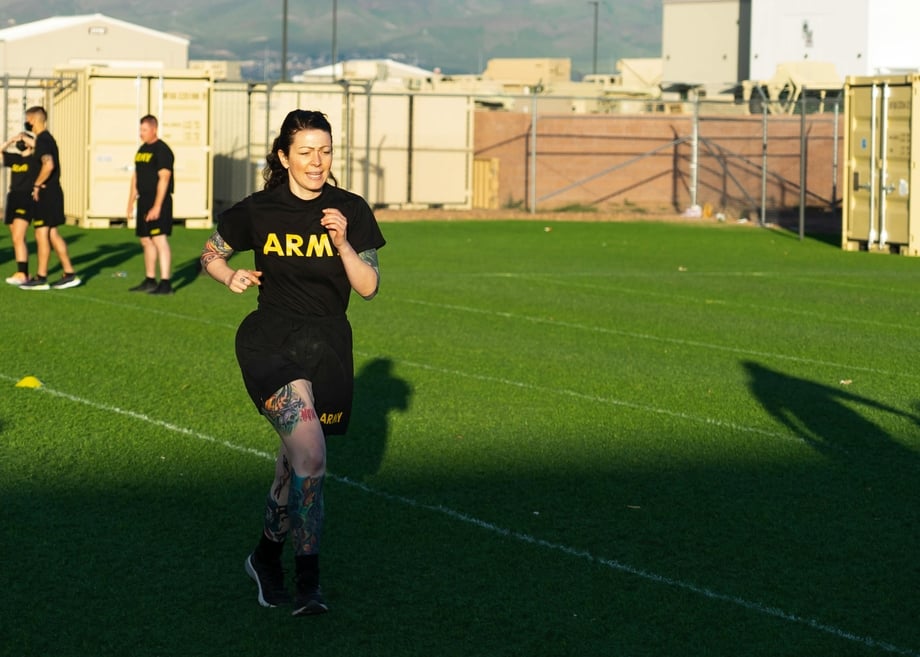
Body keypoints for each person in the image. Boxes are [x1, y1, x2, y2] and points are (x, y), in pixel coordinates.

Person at [200, 109, 385, 616]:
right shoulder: (259, 210)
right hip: (270, 342)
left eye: (325, 150)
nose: (316, 161)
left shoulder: (350, 208)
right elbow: (210, 253)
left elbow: (368, 288)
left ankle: (264, 556)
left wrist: (344, 242)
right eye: (305, 151)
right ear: (283, 156)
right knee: (311, 457)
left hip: (327, 347)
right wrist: (227, 275)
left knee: (292, 464)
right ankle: (308, 585)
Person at [19, 106, 81, 290]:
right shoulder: (44, 140)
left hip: (46, 192)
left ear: (34, 120)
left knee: (41, 233)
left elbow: (49, 165)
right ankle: (69, 274)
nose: (27, 123)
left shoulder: (44, 140)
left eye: (28, 120)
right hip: (53, 192)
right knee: (52, 233)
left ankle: (41, 277)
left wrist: (36, 185)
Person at [126, 114, 175, 295]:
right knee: (146, 240)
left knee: (159, 240)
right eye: (140, 130)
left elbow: (164, 178)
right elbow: (136, 177)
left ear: (154, 129)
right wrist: (130, 202)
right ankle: (149, 279)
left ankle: (165, 283)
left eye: (144, 130)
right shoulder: (141, 150)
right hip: (144, 201)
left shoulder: (162, 150)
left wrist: (157, 206)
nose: (141, 133)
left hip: (159, 202)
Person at [2, 129, 36, 285]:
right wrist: (10, 141)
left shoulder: (35, 159)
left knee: (18, 236)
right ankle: (23, 272)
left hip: (25, 198)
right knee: (16, 239)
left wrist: (25, 137)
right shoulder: (14, 159)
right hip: (13, 197)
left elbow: (39, 147)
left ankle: (22, 273)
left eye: (23, 140)